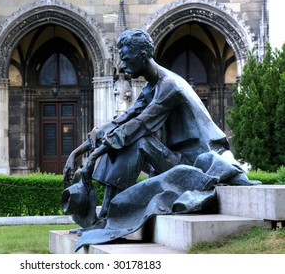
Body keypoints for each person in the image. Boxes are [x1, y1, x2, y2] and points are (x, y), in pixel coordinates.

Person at [62, 28, 246, 228]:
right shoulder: (151, 86)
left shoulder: (170, 85)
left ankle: (107, 217)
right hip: (178, 159)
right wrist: (78, 152)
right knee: (122, 139)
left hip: (196, 163)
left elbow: (140, 124)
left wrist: (93, 158)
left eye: (126, 59)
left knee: (138, 141)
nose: (122, 66)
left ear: (142, 56)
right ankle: (105, 215)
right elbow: (122, 120)